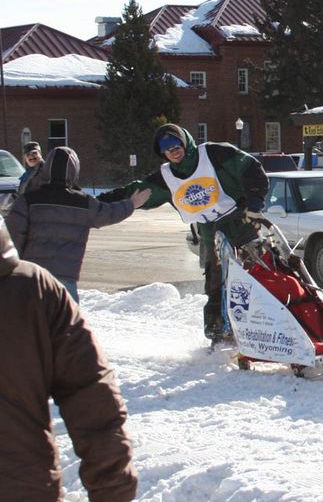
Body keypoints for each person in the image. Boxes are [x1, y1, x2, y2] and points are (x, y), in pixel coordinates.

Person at [0, 216, 138, 502]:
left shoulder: (33, 287)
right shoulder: (32, 286)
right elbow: (89, 390)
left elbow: (87, 388)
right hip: (22, 486)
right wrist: (112, 485)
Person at [98, 124, 268, 346]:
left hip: (242, 222)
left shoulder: (215, 154)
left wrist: (254, 203)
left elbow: (252, 169)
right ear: (163, 153)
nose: (174, 151)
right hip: (211, 233)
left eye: (176, 144)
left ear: (184, 142)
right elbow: (133, 192)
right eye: (167, 149)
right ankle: (219, 335)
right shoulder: (166, 178)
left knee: (261, 273)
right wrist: (98, 203)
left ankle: (272, 323)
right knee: (216, 284)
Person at [6, 146, 150, 303]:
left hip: (32, 277)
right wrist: (132, 204)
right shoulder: (84, 203)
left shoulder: (27, 200)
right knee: (67, 325)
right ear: (75, 170)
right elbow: (109, 213)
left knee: (32, 324)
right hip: (65, 280)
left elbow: (13, 237)